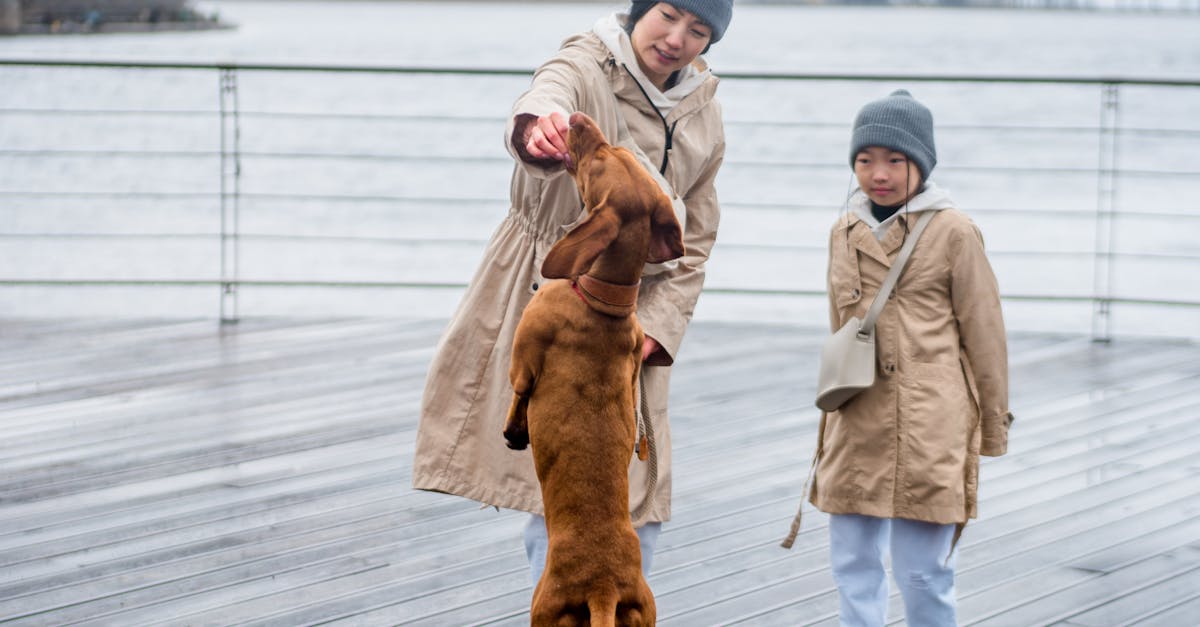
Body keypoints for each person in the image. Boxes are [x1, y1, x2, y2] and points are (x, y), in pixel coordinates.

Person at [411, 0, 733, 586]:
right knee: (562, 494)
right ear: (640, 10)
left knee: (635, 503)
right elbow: (546, 93)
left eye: (699, 30)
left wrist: (657, 331)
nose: (677, 38)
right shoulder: (588, 63)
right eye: (668, 14)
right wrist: (539, 128)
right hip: (551, 295)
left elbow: (699, 237)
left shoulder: (702, 111)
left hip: (635, 320)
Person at [805, 89, 1014, 626]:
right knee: (853, 563)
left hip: (931, 422)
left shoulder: (954, 231)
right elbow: (840, 325)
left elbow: (985, 334)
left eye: (895, 160)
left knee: (925, 572)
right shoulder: (843, 230)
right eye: (865, 158)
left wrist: (993, 427)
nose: (879, 173)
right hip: (857, 416)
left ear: (920, 162)